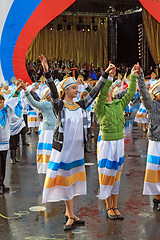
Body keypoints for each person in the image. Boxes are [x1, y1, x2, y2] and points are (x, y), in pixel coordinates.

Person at [39, 54, 115, 230]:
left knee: (73, 183)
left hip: (77, 151)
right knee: (66, 182)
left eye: (76, 87)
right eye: (73, 88)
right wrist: (47, 71)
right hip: (64, 150)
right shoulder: (59, 106)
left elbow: (94, 92)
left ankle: (70, 213)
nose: (76, 90)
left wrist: (105, 75)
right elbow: (52, 90)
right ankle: (70, 215)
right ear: (65, 90)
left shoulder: (80, 105)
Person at [94, 63, 138, 220]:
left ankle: (115, 205)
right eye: (104, 93)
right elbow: (103, 91)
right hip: (107, 144)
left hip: (119, 143)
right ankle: (108, 206)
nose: (107, 94)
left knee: (117, 174)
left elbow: (131, 92)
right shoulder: (100, 108)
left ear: (113, 94)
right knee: (107, 174)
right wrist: (109, 78)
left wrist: (132, 76)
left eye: (109, 92)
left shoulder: (119, 104)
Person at [20, 84, 56, 174]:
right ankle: (47, 166)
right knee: (47, 149)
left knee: (55, 148)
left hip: (55, 128)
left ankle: (55, 164)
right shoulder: (43, 104)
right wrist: (26, 91)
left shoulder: (55, 103)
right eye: (50, 95)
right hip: (47, 130)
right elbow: (33, 102)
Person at [137, 67, 160, 205]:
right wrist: (140, 76)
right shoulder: (151, 105)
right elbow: (144, 94)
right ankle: (157, 197)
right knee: (156, 169)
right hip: (156, 141)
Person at [0, 85, 22, 194]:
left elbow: (12, 101)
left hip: (4, 144)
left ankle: (1, 184)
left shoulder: (6, 111)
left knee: (3, 164)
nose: (1, 104)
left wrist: (17, 90)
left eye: (2, 102)